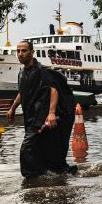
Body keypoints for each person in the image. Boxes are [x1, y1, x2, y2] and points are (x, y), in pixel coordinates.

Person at [6, 40, 76, 178]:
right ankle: (55, 172)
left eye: (24, 51)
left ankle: (34, 177)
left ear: (32, 52)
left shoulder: (41, 71)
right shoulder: (21, 73)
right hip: (30, 117)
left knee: (26, 149)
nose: (20, 54)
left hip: (41, 118)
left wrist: (51, 113)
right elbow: (22, 92)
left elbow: (53, 90)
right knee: (43, 148)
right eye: (18, 51)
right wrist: (13, 108)